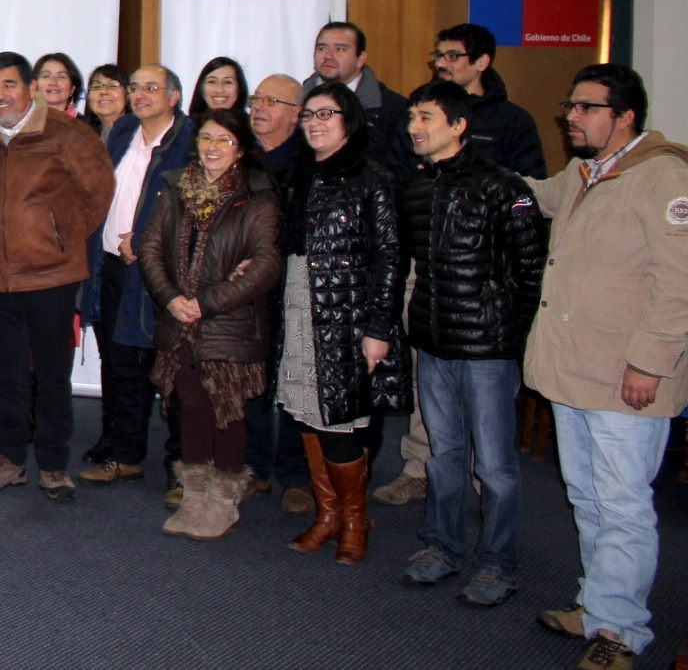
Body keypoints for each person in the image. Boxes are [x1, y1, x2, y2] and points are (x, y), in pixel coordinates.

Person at [523, 65, 688, 670]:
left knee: (621, 503)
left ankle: (620, 629)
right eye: (571, 105)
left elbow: (679, 287)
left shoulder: (663, 178)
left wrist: (649, 362)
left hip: (627, 378)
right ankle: (597, 606)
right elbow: (536, 197)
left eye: (587, 108)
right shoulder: (585, 173)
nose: (572, 116)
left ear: (625, 117)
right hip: (575, 370)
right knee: (586, 495)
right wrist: (478, 175)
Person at [395, 81, 547, 606]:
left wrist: (508, 335)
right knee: (444, 455)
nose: (414, 127)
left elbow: (531, 272)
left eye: (427, 118)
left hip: (488, 350)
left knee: (496, 466)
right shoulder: (416, 188)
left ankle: (498, 564)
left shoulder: (506, 188)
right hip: (433, 344)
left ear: (458, 125)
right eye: (412, 116)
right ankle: (442, 547)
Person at [0, 51, 115, 500]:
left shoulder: (66, 132)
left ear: (28, 88)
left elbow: (99, 191)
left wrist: (59, 237)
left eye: (8, 85)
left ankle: (52, 464)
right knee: (7, 375)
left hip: (52, 275)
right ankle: (8, 458)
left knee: (51, 375)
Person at [276, 81, 407, 566]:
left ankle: (355, 520)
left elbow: (391, 257)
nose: (314, 122)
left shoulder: (374, 177)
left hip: (349, 319)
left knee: (341, 422)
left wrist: (378, 329)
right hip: (299, 308)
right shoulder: (301, 175)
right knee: (307, 414)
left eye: (325, 114)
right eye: (308, 115)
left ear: (348, 120)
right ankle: (326, 514)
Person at [139, 108, 282, 540]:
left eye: (223, 139)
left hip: (230, 325)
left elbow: (266, 265)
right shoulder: (177, 189)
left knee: (226, 412)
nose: (213, 147)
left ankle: (224, 501)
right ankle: (194, 496)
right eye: (206, 138)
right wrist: (171, 299)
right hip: (179, 321)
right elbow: (149, 249)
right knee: (192, 408)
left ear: (240, 148)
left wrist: (204, 303)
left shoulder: (259, 195)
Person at [80, 65, 193, 493]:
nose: (140, 94)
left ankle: (182, 470)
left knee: (175, 373)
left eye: (151, 88)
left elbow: (196, 210)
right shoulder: (124, 133)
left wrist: (147, 240)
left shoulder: (189, 141)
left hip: (164, 275)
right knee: (121, 364)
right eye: (135, 87)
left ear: (174, 96)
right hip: (112, 269)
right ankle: (125, 455)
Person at [243, 72, 313, 510]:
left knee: (292, 377)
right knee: (248, 377)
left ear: (297, 114)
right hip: (242, 290)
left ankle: (295, 474)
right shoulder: (239, 156)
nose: (260, 107)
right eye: (257, 98)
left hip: (291, 286)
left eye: (273, 101)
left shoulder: (310, 163)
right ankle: (253, 467)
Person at [428, 23, 546, 179]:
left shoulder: (514, 121)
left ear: (481, 62)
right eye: (438, 55)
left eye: (452, 56)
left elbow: (531, 186)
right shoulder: (420, 111)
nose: (440, 64)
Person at [303, 20, 411, 179]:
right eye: (322, 48)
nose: (328, 56)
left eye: (340, 49)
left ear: (360, 59)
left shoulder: (392, 107)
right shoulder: (297, 101)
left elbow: (401, 170)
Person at [187, 56, 249, 123]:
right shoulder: (187, 129)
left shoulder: (251, 129)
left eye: (228, 82)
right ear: (201, 88)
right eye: (212, 82)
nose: (219, 89)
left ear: (239, 88)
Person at [83, 64, 130, 138]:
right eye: (96, 86)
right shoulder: (81, 136)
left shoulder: (139, 134)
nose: (103, 92)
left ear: (127, 96)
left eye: (112, 85)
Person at [32, 52, 84, 118]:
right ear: (33, 86)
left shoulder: (85, 126)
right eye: (46, 76)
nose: (53, 82)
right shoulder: (20, 123)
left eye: (61, 77)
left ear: (72, 89)